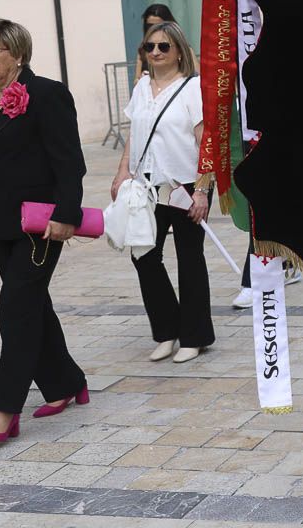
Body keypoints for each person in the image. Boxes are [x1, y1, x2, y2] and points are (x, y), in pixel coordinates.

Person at [0, 18, 88, 444]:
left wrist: (68, 213)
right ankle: (66, 382)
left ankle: (5, 410)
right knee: (31, 305)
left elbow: (69, 161)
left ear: (18, 55)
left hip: (39, 225)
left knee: (13, 308)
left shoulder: (46, 94)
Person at [113, 22, 213, 364]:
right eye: (149, 46)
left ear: (179, 51)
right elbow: (134, 133)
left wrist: (202, 189)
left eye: (163, 47)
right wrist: (122, 172)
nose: (155, 52)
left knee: (189, 258)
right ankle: (167, 330)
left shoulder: (193, 88)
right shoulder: (142, 87)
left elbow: (206, 143)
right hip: (147, 185)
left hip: (184, 184)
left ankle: (195, 335)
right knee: (143, 255)